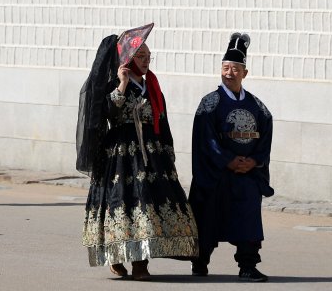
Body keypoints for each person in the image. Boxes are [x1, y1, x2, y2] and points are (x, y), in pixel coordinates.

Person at [78, 23, 198, 280]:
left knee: (148, 205)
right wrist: (121, 85)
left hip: (151, 153)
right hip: (121, 153)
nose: (145, 61)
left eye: (148, 57)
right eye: (140, 57)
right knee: (123, 202)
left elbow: (162, 122)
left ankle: (141, 264)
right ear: (128, 59)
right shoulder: (114, 84)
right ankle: (117, 256)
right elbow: (107, 113)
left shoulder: (152, 86)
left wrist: (167, 154)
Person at [189, 33, 274, 282]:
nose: (229, 73)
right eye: (225, 68)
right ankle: (200, 260)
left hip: (246, 174)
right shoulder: (210, 103)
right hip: (217, 173)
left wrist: (254, 161)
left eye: (235, 69)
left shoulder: (258, 107)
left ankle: (247, 265)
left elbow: (265, 137)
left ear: (244, 73)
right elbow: (206, 139)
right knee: (208, 218)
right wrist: (227, 159)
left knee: (248, 218)